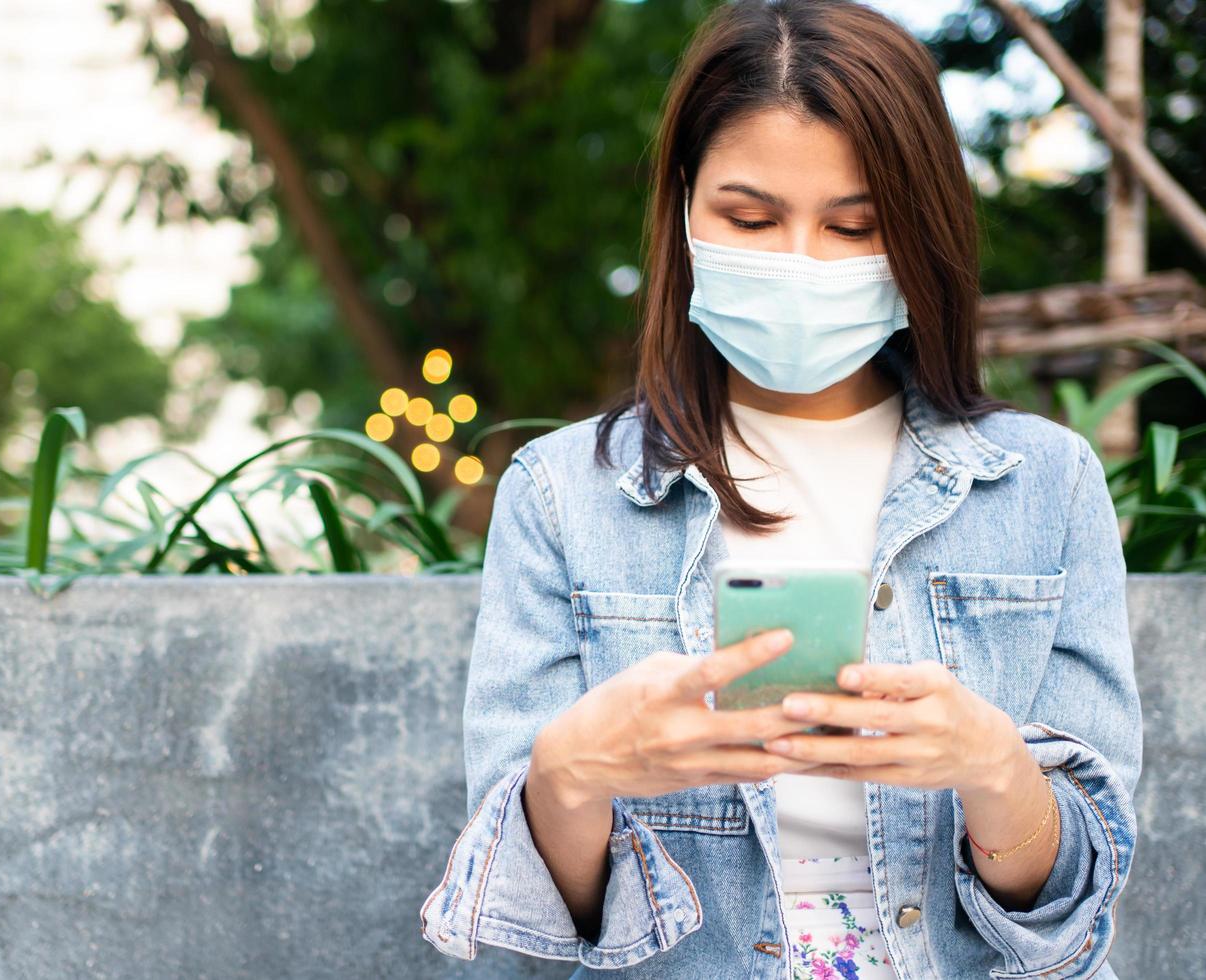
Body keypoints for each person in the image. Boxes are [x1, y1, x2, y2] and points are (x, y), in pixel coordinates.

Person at [418, 0, 1141, 977]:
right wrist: (570, 774)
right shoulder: (563, 497)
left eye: (855, 226)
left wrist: (994, 767)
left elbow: (1077, 906)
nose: (801, 262)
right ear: (683, 202)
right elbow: (530, 932)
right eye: (750, 217)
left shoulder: (1044, 487)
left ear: (919, 233)